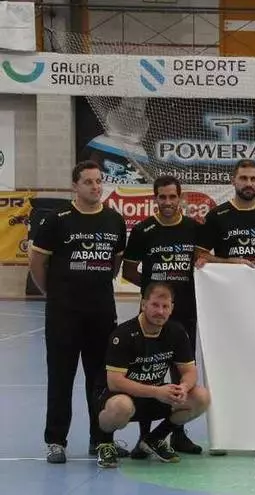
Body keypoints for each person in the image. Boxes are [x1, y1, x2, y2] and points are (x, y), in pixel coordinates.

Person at [29, 160, 129, 464]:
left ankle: (100, 440)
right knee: (61, 377)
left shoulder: (114, 220)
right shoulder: (57, 220)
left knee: (99, 380)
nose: (95, 187)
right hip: (64, 315)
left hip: (101, 313)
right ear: (75, 185)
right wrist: (53, 294)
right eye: (88, 182)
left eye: (99, 181)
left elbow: (115, 264)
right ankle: (56, 441)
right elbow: (37, 264)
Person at [121, 175, 202, 456]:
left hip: (186, 313)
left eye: (172, 197)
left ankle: (176, 434)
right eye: (162, 197)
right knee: (149, 373)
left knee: (182, 374)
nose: (167, 202)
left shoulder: (193, 229)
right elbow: (128, 271)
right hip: (151, 317)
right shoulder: (143, 230)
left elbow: (204, 264)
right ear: (155, 198)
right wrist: (154, 293)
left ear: (181, 198)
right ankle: (143, 438)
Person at [94, 282, 211, 468]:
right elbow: (115, 382)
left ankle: (154, 439)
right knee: (120, 406)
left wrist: (183, 387)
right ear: (143, 304)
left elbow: (189, 371)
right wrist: (156, 392)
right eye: (155, 305)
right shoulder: (124, 334)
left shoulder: (176, 332)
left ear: (171, 308)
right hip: (119, 396)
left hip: (154, 396)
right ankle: (105, 442)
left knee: (201, 397)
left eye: (165, 306)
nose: (160, 311)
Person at [196, 159, 255, 267]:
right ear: (233, 181)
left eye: (253, 179)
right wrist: (228, 262)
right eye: (243, 178)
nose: (249, 183)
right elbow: (198, 254)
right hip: (228, 277)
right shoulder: (216, 215)